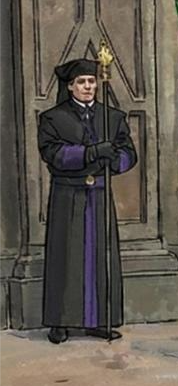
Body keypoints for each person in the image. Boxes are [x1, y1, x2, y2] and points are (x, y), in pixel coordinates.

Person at [38, 58, 137, 343]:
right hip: (68, 195)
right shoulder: (53, 118)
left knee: (101, 256)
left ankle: (99, 320)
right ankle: (60, 321)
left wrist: (115, 161)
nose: (88, 87)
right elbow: (52, 153)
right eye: (81, 82)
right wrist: (89, 153)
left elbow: (129, 153)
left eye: (91, 81)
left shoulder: (112, 117)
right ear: (70, 86)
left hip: (99, 195)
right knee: (65, 258)